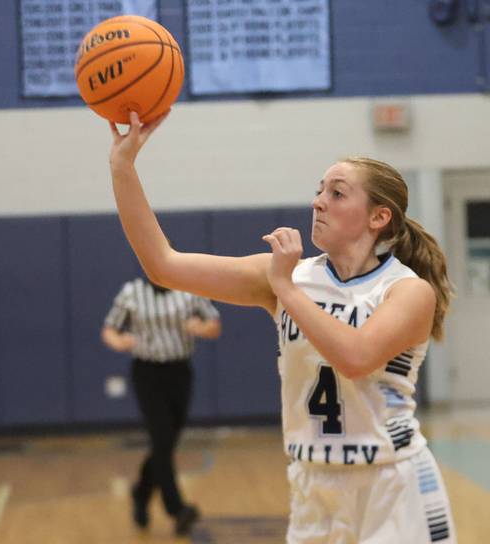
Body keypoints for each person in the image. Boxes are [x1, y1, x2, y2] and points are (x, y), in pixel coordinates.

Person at [106, 111, 456, 543]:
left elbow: (357, 357)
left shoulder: (407, 291)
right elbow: (164, 265)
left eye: (337, 193)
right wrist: (123, 169)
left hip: (391, 485)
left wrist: (285, 290)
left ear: (378, 217)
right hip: (312, 486)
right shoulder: (289, 277)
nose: (318, 201)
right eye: (318, 191)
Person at [101, 276, 220, 535]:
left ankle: (141, 493)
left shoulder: (190, 288)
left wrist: (201, 328)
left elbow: (214, 324)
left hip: (179, 372)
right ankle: (177, 509)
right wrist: (119, 342)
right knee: (162, 438)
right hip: (147, 373)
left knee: (165, 444)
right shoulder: (132, 292)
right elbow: (110, 329)